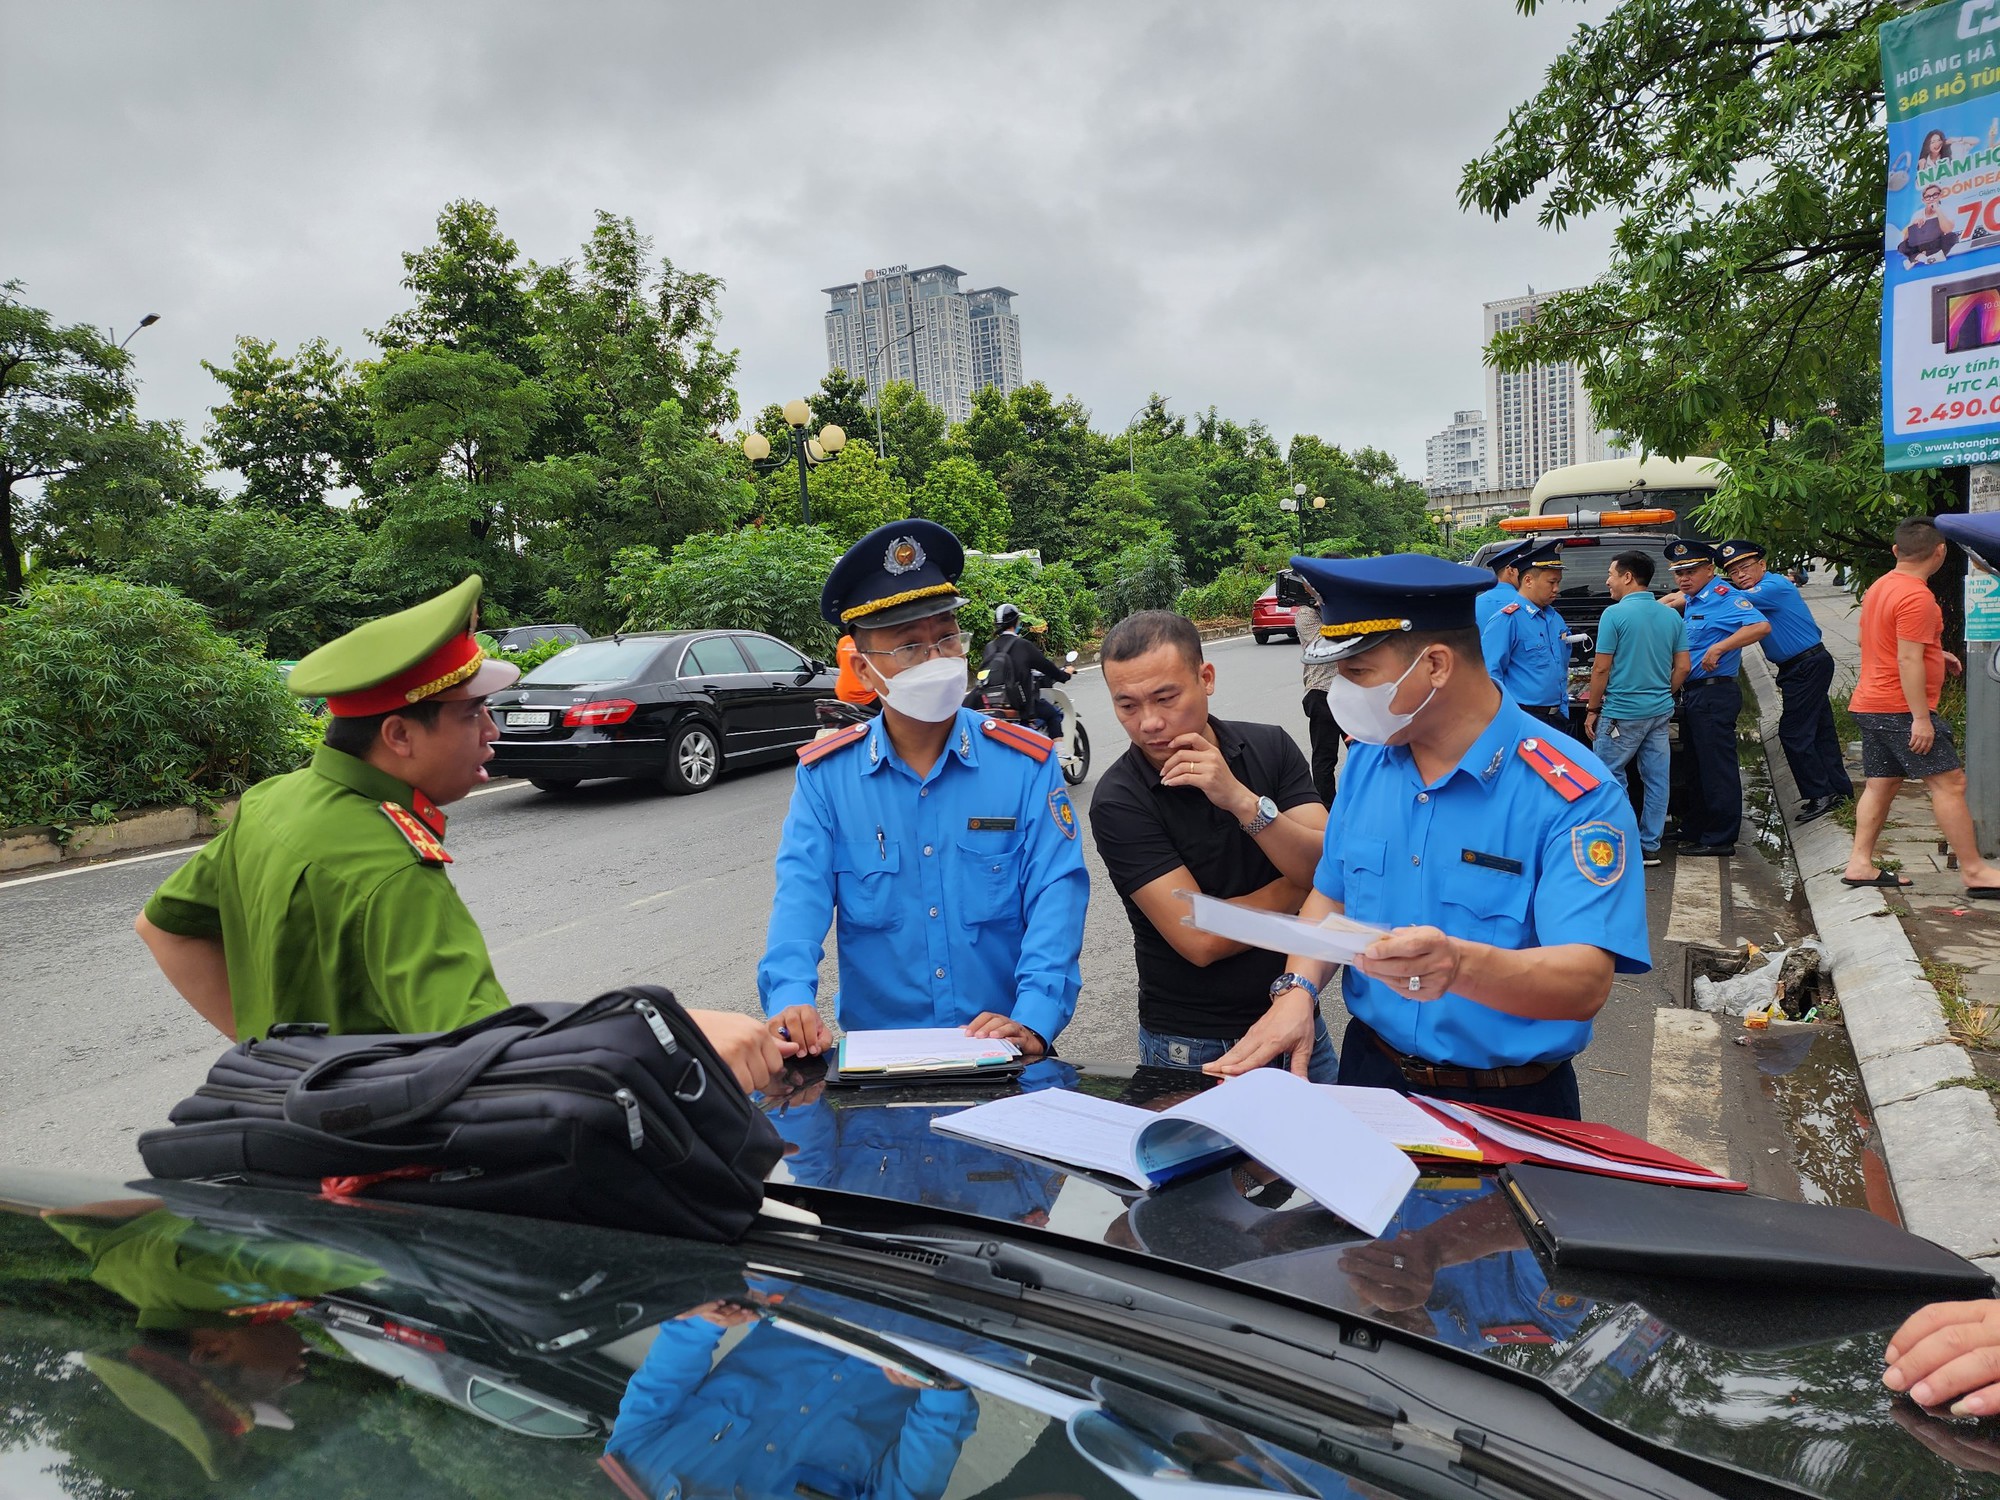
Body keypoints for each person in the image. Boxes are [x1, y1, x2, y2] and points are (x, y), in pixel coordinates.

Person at [133, 575, 786, 1091]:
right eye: (473, 714)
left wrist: (274, 1061)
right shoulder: (392, 866)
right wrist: (671, 1038)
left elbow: (164, 928)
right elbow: (495, 1058)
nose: (493, 732)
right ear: (398, 735)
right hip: (384, 1166)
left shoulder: (275, 799)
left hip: (294, 1126)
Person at [1205, 554, 1649, 1119]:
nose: (1342, 694)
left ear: (1435, 664)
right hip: (1371, 1076)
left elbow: (1584, 983)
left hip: (1509, 1102)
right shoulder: (1370, 762)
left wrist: (1459, 966)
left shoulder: (1572, 795)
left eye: (1358, 673)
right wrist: (1296, 990)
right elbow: (1332, 894)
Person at [759, 520, 1089, 1058]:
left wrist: (1033, 1017)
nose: (937, 659)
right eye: (910, 646)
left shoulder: (1024, 765)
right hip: (882, 1059)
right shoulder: (827, 778)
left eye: (947, 637)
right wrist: (790, 999)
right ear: (864, 669)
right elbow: (800, 900)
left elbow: (1057, 894)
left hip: (1004, 1050)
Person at [1088, 611, 1335, 1080]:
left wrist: (1242, 802)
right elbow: (1199, 938)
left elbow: (1325, 867)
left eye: (1166, 698)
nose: (1149, 723)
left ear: (1206, 678)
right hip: (1194, 1043)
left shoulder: (1270, 747)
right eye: (1127, 706)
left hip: (1298, 1014)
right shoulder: (1120, 799)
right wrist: (1302, 887)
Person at [1841, 517, 2000, 898]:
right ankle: (1975, 871)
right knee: (1950, 783)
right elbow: (1907, 659)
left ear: (1896, 551)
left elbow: (1873, 640)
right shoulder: (1917, 597)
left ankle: (1860, 864)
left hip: (1871, 702)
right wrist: (1921, 719)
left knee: (1881, 783)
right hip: (1899, 708)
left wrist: (1934, 653)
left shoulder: (1881, 586)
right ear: (1941, 551)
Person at [1715, 538, 1853, 821]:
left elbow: (1731, 600)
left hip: (1807, 665)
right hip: (1799, 667)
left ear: (1762, 565)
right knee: (1820, 730)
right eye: (1734, 571)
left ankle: (1820, 794)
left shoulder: (1773, 586)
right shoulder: (1757, 590)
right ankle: (1838, 789)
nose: (1740, 575)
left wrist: (1708, 588)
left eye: (1745, 567)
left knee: (1794, 733)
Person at [1660, 539, 1769, 857]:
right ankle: (1695, 827)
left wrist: (1720, 647)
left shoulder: (1724, 597)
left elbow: (1760, 626)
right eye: (1679, 573)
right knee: (1695, 767)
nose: (1684, 578)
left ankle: (1720, 837)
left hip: (1714, 692)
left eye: (1691, 571)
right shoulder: (1694, 600)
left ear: (1710, 570)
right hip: (1695, 694)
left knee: (1716, 768)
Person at [1583, 550, 1689, 867]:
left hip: (1621, 712)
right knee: (1657, 779)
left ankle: (1621, 839)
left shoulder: (1614, 615)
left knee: (1608, 775)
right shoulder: (1671, 616)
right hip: (1659, 711)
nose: (1607, 581)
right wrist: (1663, 693)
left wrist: (1592, 708)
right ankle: (1649, 846)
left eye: (1611, 574)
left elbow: (1601, 669)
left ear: (1627, 577)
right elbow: (1683, 667)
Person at [1482, 540, 1573, 730]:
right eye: (1551, 582)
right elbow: (1491, 675)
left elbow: (1561, 667)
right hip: (1523, 718)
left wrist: (1563, 709)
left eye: (1558, 582)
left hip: (1556, 717)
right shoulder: (1507, 620)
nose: (1556, 589)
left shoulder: (1555, 619)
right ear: (1529, 581)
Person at [974, 602, 1070, 740]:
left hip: (991, 708)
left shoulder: (989, 648)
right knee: (1053, 715)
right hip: (1021, 708)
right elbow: (1047, 667)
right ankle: (1059, 752)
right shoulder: (1023, 645)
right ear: (1016, 622)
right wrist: (1064, 674)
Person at [1295, 583, 1344, 804]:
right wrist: (1328, 608)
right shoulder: (1306, 614)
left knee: (1365, 754)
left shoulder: (1343, 609)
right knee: (1325, 759)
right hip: (1322, 692)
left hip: (1351, 693)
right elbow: (1325, 645)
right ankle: (1327, 810)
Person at [1473, 540, 1531, 636]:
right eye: (1525, 569)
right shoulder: (1530, 604)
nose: (1529, 575)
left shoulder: (1475, 604)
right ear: (1511, 571)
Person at [1899, 182, 1960, 266]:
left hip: (1936, 243)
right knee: (1902, 246)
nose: (1931, 199)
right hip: (1920, 245)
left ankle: (1918, 258)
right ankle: (1929, 257)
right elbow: (1905, 239)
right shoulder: (1917, 214)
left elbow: (1948, 230)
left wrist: (1937, 210)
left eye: (1935, 195)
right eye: (1928, 197)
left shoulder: (1947, 209)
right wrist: (1913, 225)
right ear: (1923, 200)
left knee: (1953, 237)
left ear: (1940, 196)